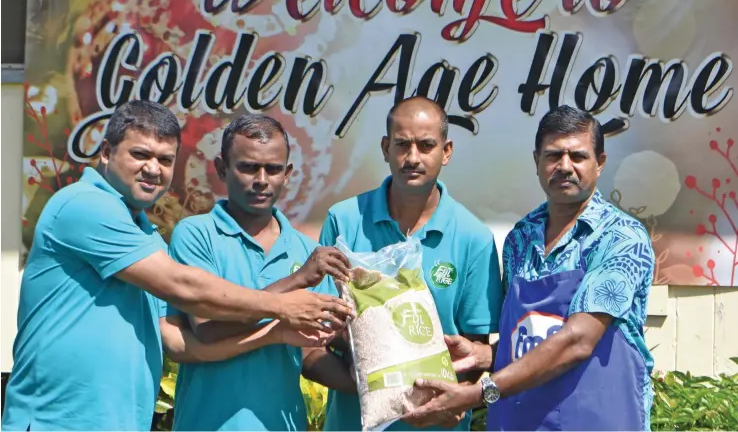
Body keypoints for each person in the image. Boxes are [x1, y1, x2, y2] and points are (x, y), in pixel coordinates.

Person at [1, 101, 351, 432]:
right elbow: (186, 289)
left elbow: (180, 344)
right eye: (140, 154)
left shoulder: (147, 240)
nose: (153, 169)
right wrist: (284, 302)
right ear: (106, 153)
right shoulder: (84, 205)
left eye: (165, 160)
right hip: (57, 421)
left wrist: (275, 333)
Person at [403, 105, 656, 431]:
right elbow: (530, 336)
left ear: (600, 163)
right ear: (537, 160)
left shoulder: (621, 237)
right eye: (553, 155)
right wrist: (483, 355)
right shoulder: (521, 238)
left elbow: (578, 339)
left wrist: (480, 392)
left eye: (577, 156)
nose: (565, 166)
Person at [159, 114, 356, 431]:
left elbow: (310, 350)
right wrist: (296, 281)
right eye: (248, 167)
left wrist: (374, 381)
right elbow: (207, 328)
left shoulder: (306, 250)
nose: (262, 179)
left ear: (288, 174)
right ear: (222, 169)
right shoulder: (197, 235)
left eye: (274, 169)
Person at [320, 96, 504, 432]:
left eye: (426, 145)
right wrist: (374, 359)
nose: (413, 157)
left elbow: (476, 350)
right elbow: (323, 319)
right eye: (402, 144)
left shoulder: (473, 238)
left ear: (446, 151)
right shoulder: (344, 221)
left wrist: (451, 398)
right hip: (354, 421)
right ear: (385, 148)